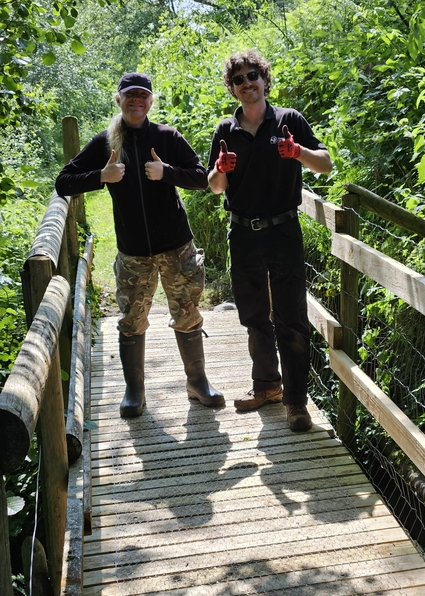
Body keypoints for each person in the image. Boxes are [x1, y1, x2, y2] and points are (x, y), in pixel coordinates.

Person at [56, 72, 224, 418]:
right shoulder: (106, 142)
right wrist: (100, 176)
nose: (136, 100)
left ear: (150, 101)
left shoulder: (166, 136)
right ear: (118, 100)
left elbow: (202, 178)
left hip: (177, 246)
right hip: (133, 252)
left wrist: (167, 172)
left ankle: (198, 382)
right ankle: (135, 391)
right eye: (129, 95)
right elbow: (63, 182)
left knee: (188, 314)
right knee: (131, 321)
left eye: (143, 96)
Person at [207, 50, 332, 432]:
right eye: (239, 80)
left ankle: (296, 402)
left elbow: (325, 163)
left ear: (265, 80)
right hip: (242, 233)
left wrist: (298, 152)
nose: (247, 84)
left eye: (253, 76)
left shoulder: (289, 120)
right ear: (233, 89)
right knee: (253, 316)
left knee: (292, 319)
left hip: (283, 231)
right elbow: (214, 187)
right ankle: (266, 387)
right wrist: (220, 170)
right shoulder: (225, 131)